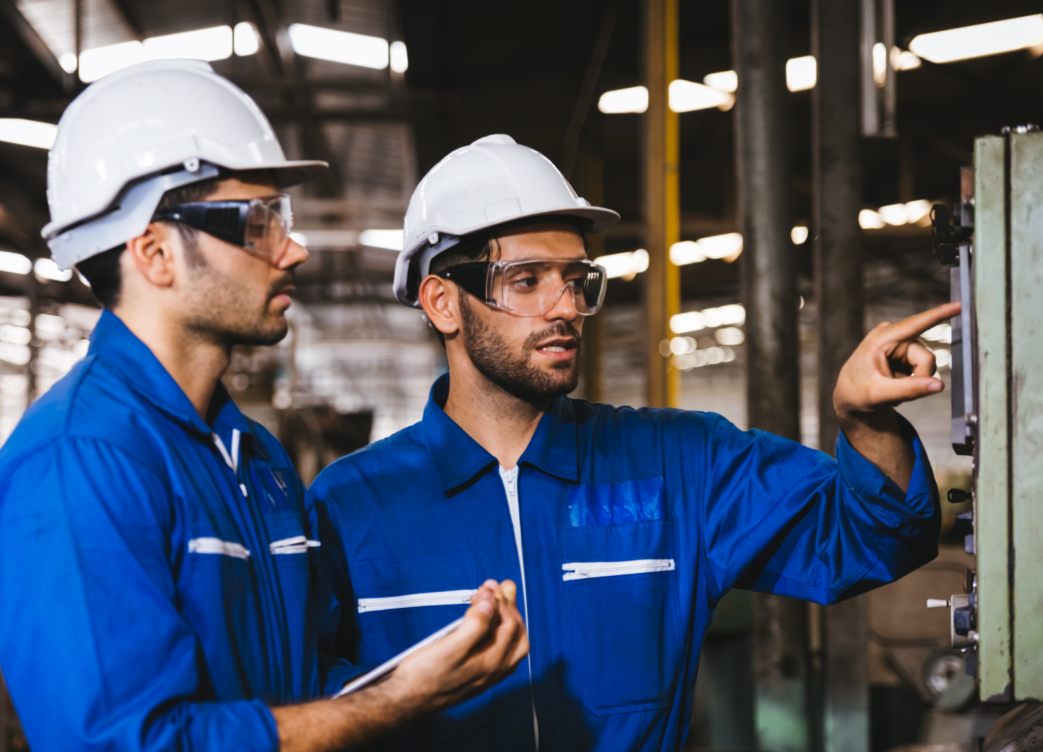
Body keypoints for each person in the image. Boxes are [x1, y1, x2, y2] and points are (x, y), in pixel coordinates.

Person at [308, 134, 957, 751]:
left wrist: (867, 424)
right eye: (528, 280)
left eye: (575, 279)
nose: (565, 306)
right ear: (443, 302)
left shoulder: (680, 464)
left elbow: (874, 535)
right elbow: (309, 706)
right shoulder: (352, 504)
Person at [0, 63, 528, 752]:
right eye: (260, 223)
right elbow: (128, 743)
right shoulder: (77, 462)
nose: (293, 250)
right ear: (155, 253)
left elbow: (306, 679)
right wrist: (397, 699)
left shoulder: (255, 458)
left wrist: (430, 667)